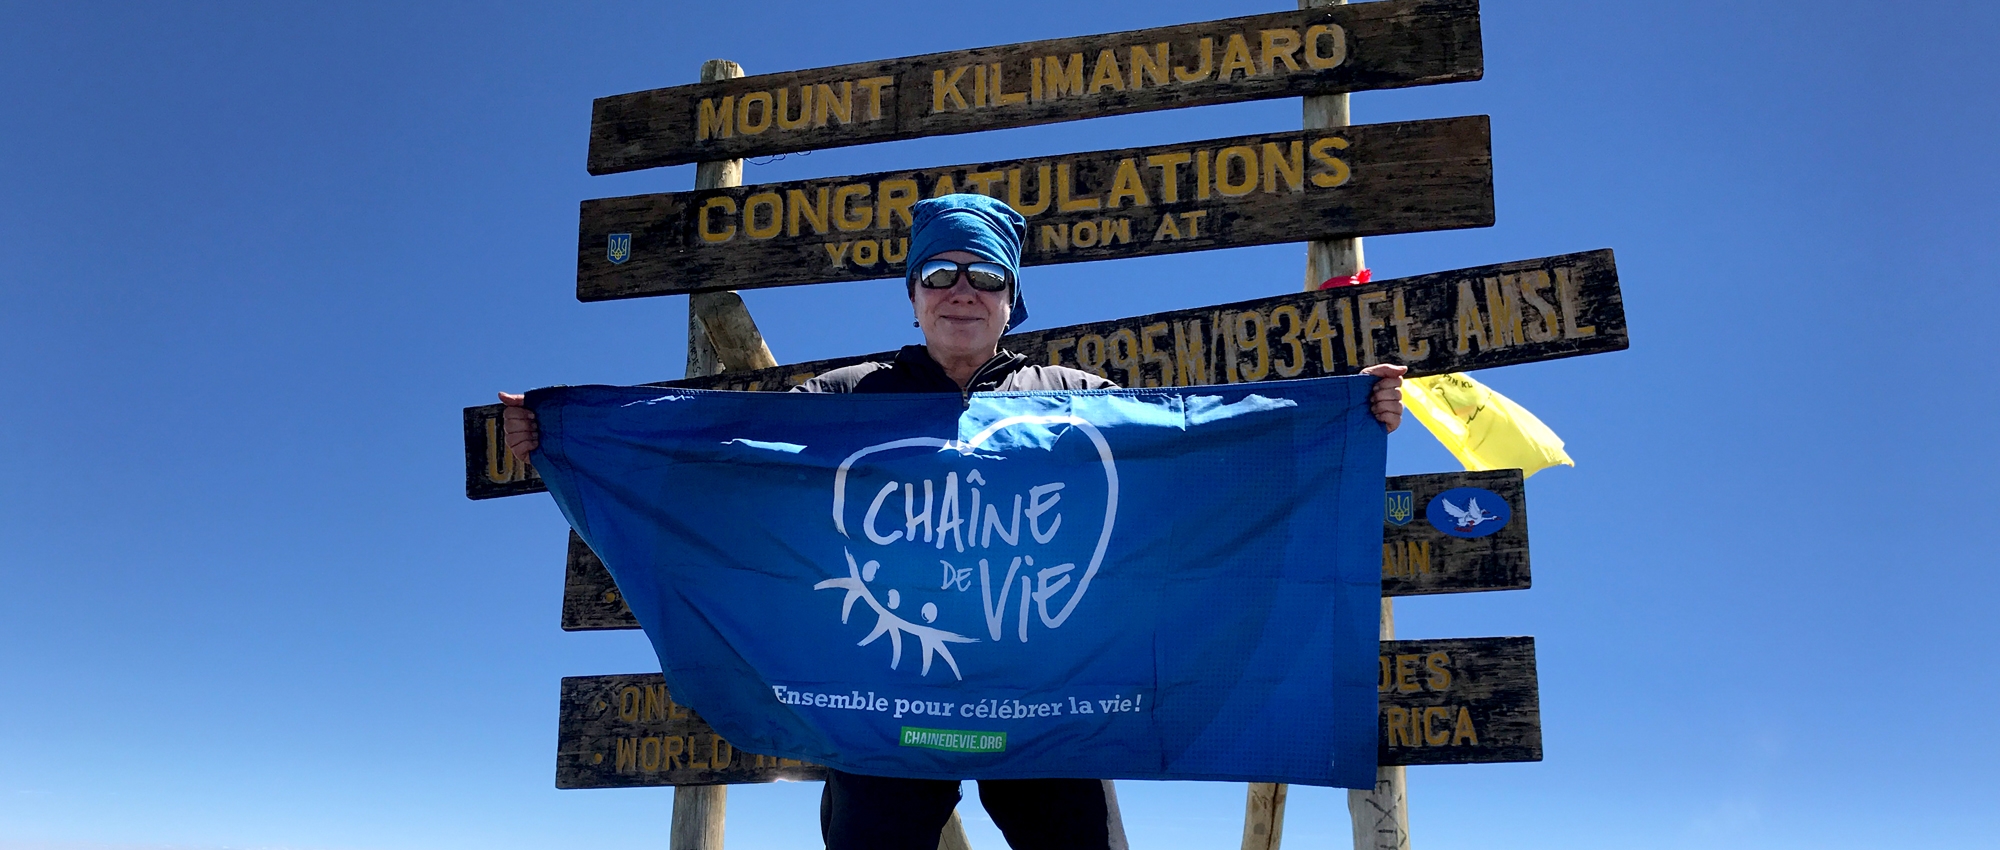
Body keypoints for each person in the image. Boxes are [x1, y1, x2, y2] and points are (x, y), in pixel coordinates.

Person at [500, 193, 1406, 850]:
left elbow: (1188, 463)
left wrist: (1338, 422)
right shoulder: (847, 399)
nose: (961, 292)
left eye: (984, 276)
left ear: (1012, 296)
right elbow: (734, 470)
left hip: (1052, 710)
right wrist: (568, 436)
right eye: (941, 273)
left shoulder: (1075, 400)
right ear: (913, 291)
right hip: (887, 713)